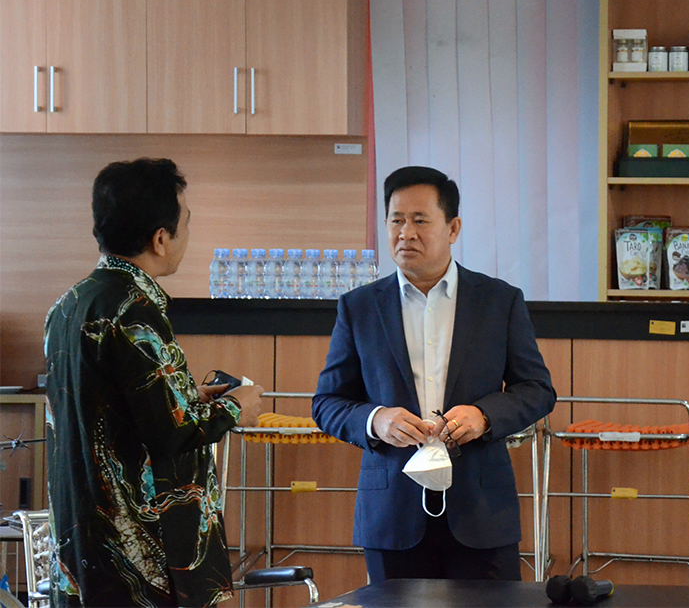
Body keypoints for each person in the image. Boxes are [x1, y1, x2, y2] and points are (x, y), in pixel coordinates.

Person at [312, 166, 556, 582]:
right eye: (396, 220)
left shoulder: (498, 301)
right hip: (392, 512)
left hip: (481, 511)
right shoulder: (360, 307)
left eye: (420, 220)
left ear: (453, 228)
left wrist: (484, 416)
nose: (405, 233)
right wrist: (376, 420)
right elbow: (327, 403)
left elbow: (537, 390)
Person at [45, 158, 265, 607]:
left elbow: (108, 407)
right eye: (186, 224)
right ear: (161, 239)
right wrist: (236, 406)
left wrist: (187, 396)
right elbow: (174, 432)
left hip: (83, 543)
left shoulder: (67, 305)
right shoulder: (135, 309)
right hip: (140, 556)